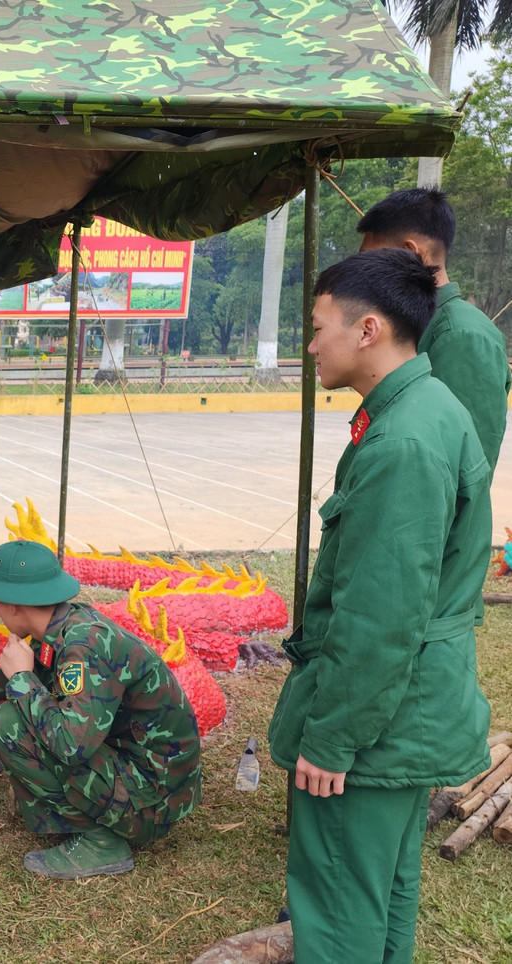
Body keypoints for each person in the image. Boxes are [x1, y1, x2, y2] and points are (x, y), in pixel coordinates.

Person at [269, 249, 493, 963]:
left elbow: (380, 617)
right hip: (410, 709)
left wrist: (332, 737)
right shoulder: (425, 408)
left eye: (318, 326)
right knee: (383, 893)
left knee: (337, 908)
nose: (310, 345)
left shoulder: (402, 441)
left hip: (378, 725)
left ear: (368, 330)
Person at [0, 539, 202, 879]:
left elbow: (71, 746)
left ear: (13, 605)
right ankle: (89, 819)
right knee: (22, 710)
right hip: (151, 774)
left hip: (155, 801)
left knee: (12, 724)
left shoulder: (83, 647)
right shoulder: (66, 624)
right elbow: (30, 669)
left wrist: (23, 678)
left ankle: (103, 842)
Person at [357, 187, 511, 473]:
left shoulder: (461, 336)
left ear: (410, 252)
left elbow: (463, 468)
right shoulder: (416, 326)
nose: (365, 273)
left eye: (371, 260)